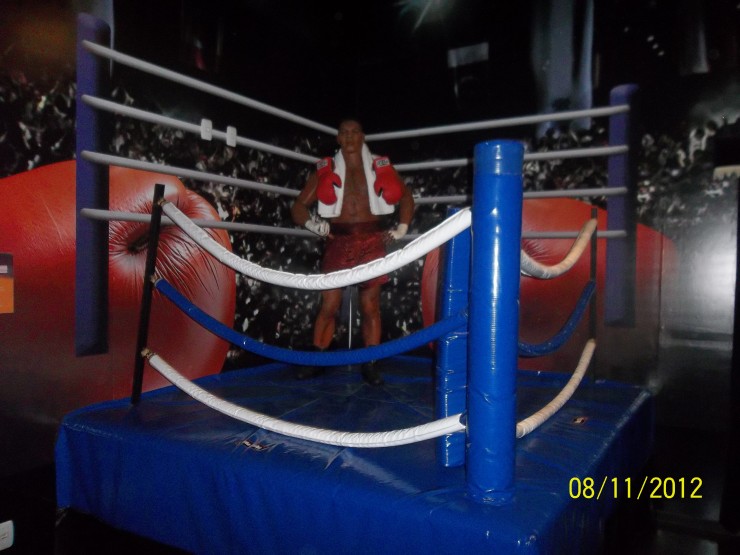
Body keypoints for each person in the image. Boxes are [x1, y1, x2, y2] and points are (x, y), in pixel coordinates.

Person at [291, 118, 414, 385]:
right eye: (344, 133)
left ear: (362, 136)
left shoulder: (379, 165)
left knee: (370, 306)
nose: (349, 137)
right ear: (338, 138)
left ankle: (371, 362)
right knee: (329, 304)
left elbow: (406, 196)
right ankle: (317, 359)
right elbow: (298, 207)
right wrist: (314, 225)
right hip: (338, 240)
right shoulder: (326, 169)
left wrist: (402, 228)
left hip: (371, 239)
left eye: (354, 132)